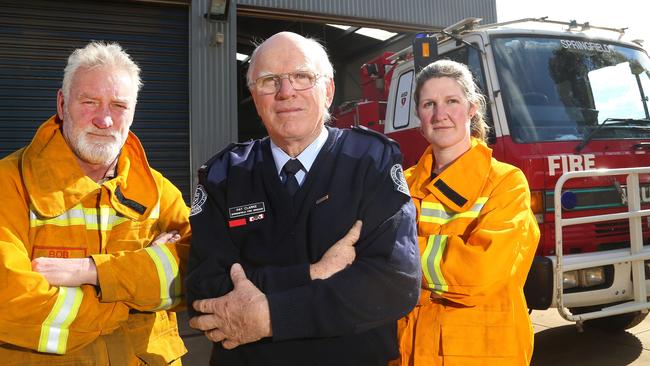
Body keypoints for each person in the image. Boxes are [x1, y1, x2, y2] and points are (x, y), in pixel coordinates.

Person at [186, 31, 421, 366]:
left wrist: (271, 317)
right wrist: (314, 273)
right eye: (269, 81)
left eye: (302, 77)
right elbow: (204, 289)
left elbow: (394, 282)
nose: (286, 92)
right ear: (254, 97)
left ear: (328, 91)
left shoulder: (372, 162)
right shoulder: (224, 174)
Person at [0, 42, 191, 365]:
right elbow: (12, 302)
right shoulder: (10, 184)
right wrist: (129, 298)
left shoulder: (157, 191)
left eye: (118, 105)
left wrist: (91, 272)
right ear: (62, 105)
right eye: (89, 102)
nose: (104, 119)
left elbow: (200, 270)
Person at [390, 59, 540, 366]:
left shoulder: (506, 182)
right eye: (429, 103)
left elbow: (479, 273)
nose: (440, 114)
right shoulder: (402, 182)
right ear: (419, 114)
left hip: (481, 354)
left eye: (451, 101)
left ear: (471, 109)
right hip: (408, 351)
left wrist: (395, 254)